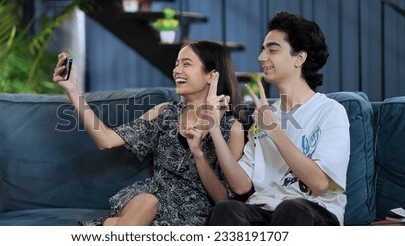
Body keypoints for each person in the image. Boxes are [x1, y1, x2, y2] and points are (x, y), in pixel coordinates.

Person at [52, 40, 245, 226]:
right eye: (176, 63)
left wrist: (199, 153)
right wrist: (73, 90)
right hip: (149, 198)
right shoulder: (165, 112)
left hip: (193, 215)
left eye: (187, 64)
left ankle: (111, 227)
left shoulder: (232, 128)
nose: (177, 70)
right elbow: (106, 139)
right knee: (147, 202)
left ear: (211, 75)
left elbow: (223, 199)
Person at [206, 11, 350, 226]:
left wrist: (273, 129)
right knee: (226, 210)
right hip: (265, 209)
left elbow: (320, 184)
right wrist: (214, 127)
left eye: (272, 50)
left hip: (316, 210)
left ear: (299, 58)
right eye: (263, 50)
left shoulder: (330, 111)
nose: (261, 58)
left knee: (291, 209)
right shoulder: (265, 115)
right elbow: (241, 186)